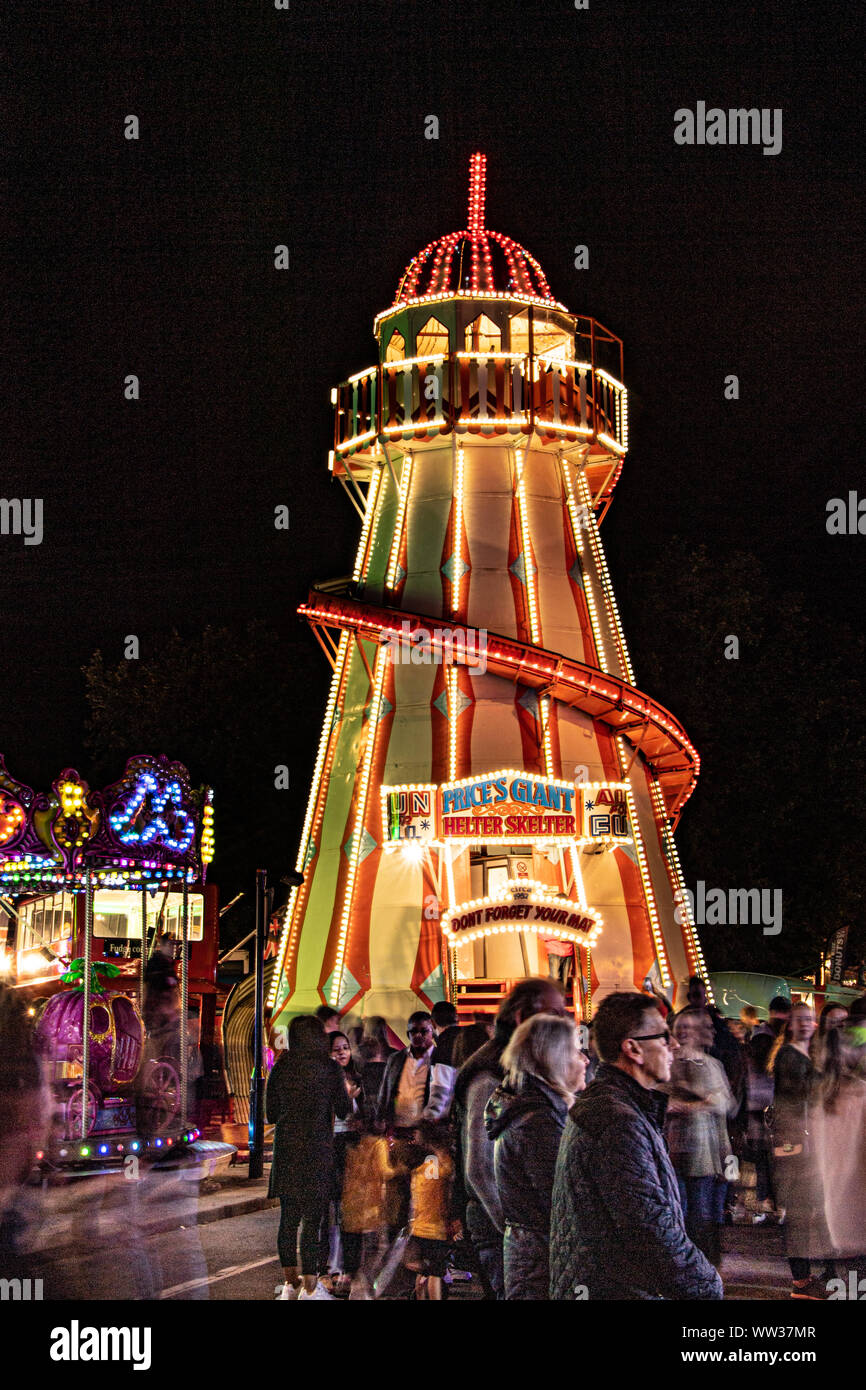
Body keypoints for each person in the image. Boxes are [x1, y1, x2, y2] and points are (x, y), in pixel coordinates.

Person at [549, 991, 723, 1300]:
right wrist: (707, 1285)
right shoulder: (618, 1121)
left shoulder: (620, 1107)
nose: (675, 1045)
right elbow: (648, 1227)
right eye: (663, 1036)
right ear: (633, 1049)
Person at [453, 977, 567, 1299]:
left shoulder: (518, 1067)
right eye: (554, 1014)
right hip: (499, 1228)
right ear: (521, 1018)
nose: (563, 1023)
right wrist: (511, 1232)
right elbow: (479, 1168)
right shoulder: (491, 1073)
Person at [485, 1014, 586, 1299]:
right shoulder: (538, 1121)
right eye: (577, 1052)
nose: (585, 1061)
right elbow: (561, 1199)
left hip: (532, 1254)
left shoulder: (535, 1109)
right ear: (555, 1059)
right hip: (541, 1259)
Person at [267, 1014, 352, 1300]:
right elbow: (343, 1109)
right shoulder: (330, 1069)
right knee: (313, 1221)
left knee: (288, 1219)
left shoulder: (282, 1067)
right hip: (318, 1148)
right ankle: (311, 1289)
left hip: (288, 1148)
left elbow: (270, 1113)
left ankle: (289, 1286)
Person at [768, 1002, 835, 1298]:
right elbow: (803, 1092)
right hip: (795, 1144)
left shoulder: (809, 1053)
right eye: (801, 1019)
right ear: (791, 1025)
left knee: (814, 1208)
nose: (807, 1023)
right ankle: (801, 1280)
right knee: (799, 1211)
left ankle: (814, 1274)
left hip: (807, 1142)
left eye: (810, 1019)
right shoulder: (788, 1055)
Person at [664, 1008, 734, 1266]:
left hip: (704, 1153)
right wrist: (698, 1102)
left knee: (703, 1215)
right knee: (688, 1213)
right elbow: (661, 1101)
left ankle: (702, 1269)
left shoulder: (711, 1064)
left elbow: (723, 1106)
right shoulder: (671, 1062)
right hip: (678, 1149)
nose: (712, 1031)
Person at [810, 1018, 866, 1285]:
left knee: (851, 1285)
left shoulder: (820, 1098)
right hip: (860, 1211)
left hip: (836, 1211)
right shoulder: (860, 1095)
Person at [402, 1120, 455, 1300]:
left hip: (418, 1226)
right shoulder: (443, 1162)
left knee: (423, 1274)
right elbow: (448, 1189)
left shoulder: (418, 1164)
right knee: (435, 1274)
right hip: (436, 1228)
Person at [328, 1031, 363, 1294]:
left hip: (353, 1145)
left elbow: (366, 1113)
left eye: (345, 1048)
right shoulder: (324, 1080)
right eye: (336, 1049)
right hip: (332, 1145)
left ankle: (350, 1269)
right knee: (335, 1213)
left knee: (351, 1213)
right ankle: (333, 1268)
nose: (342, 1053)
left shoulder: (358, 1078)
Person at [376, 1012, 436, 1133]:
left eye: (424, 1031)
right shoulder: (395, 1058)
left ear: (432, 1033)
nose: (418, 1035)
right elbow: (385, 1091)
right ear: (408, 1034)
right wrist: (379, 1118)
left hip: (427, 1131)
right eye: (414, 1031)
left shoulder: (441, 1059)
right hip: (397, 1129)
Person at [424, 1000, 462, 1121]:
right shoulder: (471, 1040)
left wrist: (427, 1119)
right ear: (457, 1018)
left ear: (433, 1023)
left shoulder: (442, 1050)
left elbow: (439, 1097)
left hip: (458, 1119)